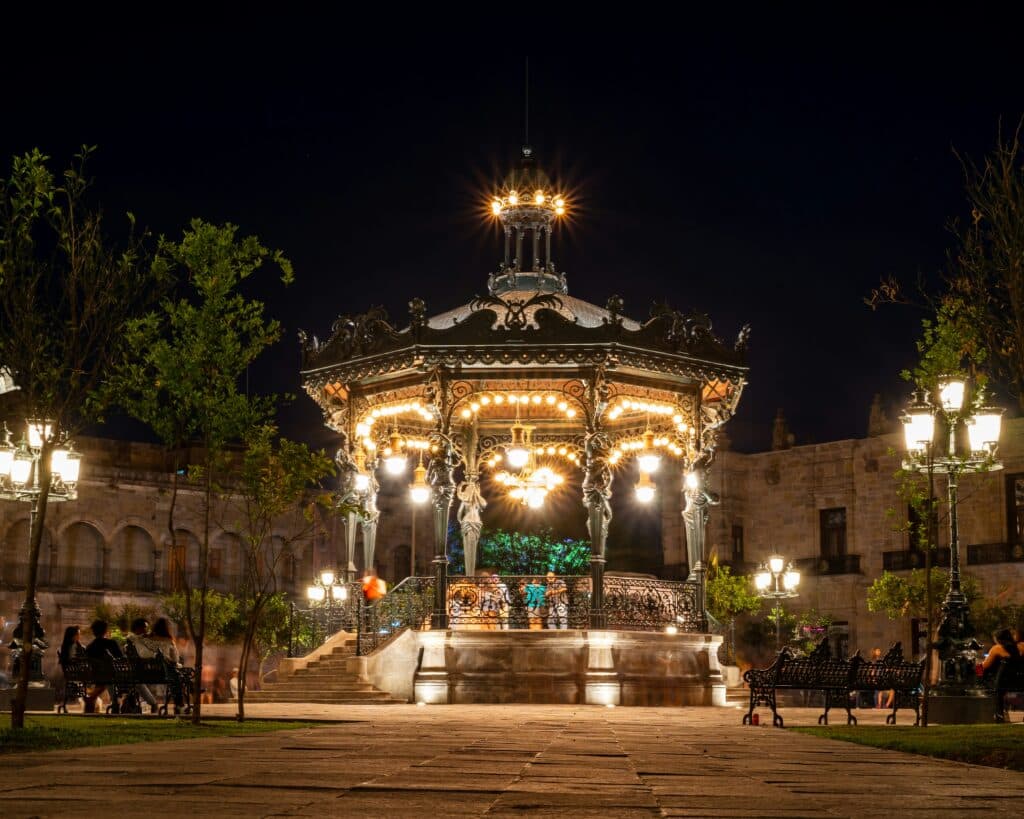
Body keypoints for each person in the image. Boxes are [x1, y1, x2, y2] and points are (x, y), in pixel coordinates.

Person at [83, 620, 123, 713]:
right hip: (112, 674)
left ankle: (93, 699)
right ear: (106, 631)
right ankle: (114, 703)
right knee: (109, 678)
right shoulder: (111, 643)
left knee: (103, 680)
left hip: (95, 675)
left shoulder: (90, 647)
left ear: (94, 632)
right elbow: (120, 658)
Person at [125, 617, 159, 713]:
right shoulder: (136, 640)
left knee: (138, 683)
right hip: (143, 669)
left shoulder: (134, 639)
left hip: (137, 670)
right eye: (144, 627)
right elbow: (146, 654)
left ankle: (152, 703)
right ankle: (153, 704)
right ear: (137, 628)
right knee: (138, 682)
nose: (146, 630)